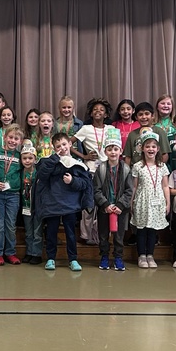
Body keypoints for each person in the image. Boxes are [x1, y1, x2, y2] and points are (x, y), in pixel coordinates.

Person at [33, 132, 93, 272]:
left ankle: (73, 259)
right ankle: (51, 258)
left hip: (70, 206)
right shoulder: (48, 161)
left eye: (64, 144)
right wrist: (55, 158)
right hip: (52, 205)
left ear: (70, 144)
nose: (62, 148)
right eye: (58, 146)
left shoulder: (78, 165)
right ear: (54, 148)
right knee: (51, 232)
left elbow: (85, 184)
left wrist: (73, 181)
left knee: (71, 234)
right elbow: (42, 175)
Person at [72, 98, 113, 244]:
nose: (98, 112)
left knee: (105, 203)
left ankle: (102, 235)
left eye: (101, 110)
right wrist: (83, 156)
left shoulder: (112, 129)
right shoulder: (85, 129)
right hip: (89, 170)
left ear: (106, 114)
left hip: (107, 171)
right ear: (90, 112)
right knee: (89, 204)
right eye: (95, 109)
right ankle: (86, 235)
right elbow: (69, 144)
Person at [93, 127, 133, 271]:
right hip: (105, 209)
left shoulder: (127, 169)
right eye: (109, 149)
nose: (113, 152)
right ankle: (104, 256)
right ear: (105, 151)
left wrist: (120, 205)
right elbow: (96, 190)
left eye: (115, 149)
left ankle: (118, 258)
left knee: (119, 236)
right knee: (103, 235)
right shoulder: (101, 169)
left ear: (120, 151)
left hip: (120, 210)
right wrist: (105, 204)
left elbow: (129, 190)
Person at [131, 131, 170, 268]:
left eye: (153, 146)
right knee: (141, 229)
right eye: (147, 146)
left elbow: (165, 186)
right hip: (142, 200)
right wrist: (132, 203)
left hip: (157, 201)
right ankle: (141, 255)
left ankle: (150, 255)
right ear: (142, 148)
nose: (150, 149)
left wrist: (167, 203)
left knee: (153, 229)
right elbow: (134, 187)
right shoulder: (137, 166)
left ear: (158, 149)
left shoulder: (162, 166)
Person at [0, 124, 24, 265]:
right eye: (10, 137)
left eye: (16, 139)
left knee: (10, 225)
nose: (13, 141)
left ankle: (10, 253)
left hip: (13, 195)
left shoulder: (20, 157)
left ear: (20, 141)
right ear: (4, 137)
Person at [18, 141, 43, 263]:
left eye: (30, 158)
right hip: (25, 205)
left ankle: (36, 254)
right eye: (24, 158)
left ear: (35, 158)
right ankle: (29, 252)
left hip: (37, 206)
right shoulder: (20, 172)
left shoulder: (38, 172)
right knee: (28, 231)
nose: (27, 161)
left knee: (37, 231)